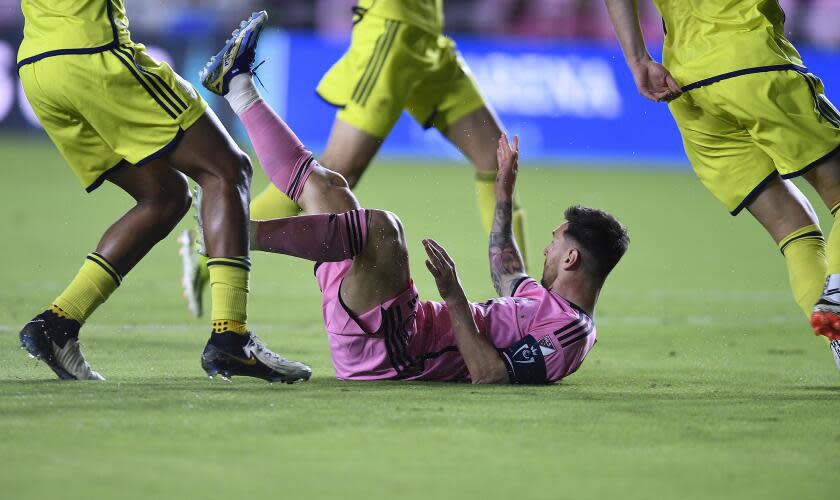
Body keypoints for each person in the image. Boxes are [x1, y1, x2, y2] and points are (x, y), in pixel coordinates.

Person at [197, 25, 630, 382]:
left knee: (384, 229)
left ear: (572, 257)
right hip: (390, 327)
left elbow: (490, 373)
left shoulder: (570, 331)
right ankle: (237, 85)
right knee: (329, 187)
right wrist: (503, 195)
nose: (545, 250)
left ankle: (235, 234)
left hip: (394, 351)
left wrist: (454, 295)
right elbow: (507, 266)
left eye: (554, 244)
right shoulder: (544, 301)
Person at [17, 4, 310, 383]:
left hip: (38, 68)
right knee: (226, 169)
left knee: (165, 195)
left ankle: (58, 325)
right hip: (92, 52)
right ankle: (230, 335)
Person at [180, 1, 530, 317]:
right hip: (392, 29)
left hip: (426, 36)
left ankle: (524, 300)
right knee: (328, 180)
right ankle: (216, 240)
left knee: (496, 160)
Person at [603, 0, 840, 367]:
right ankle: (838, 292)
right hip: (753, 59)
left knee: (791, 228)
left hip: (687, 85)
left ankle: (839, 342)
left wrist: (637, 60)